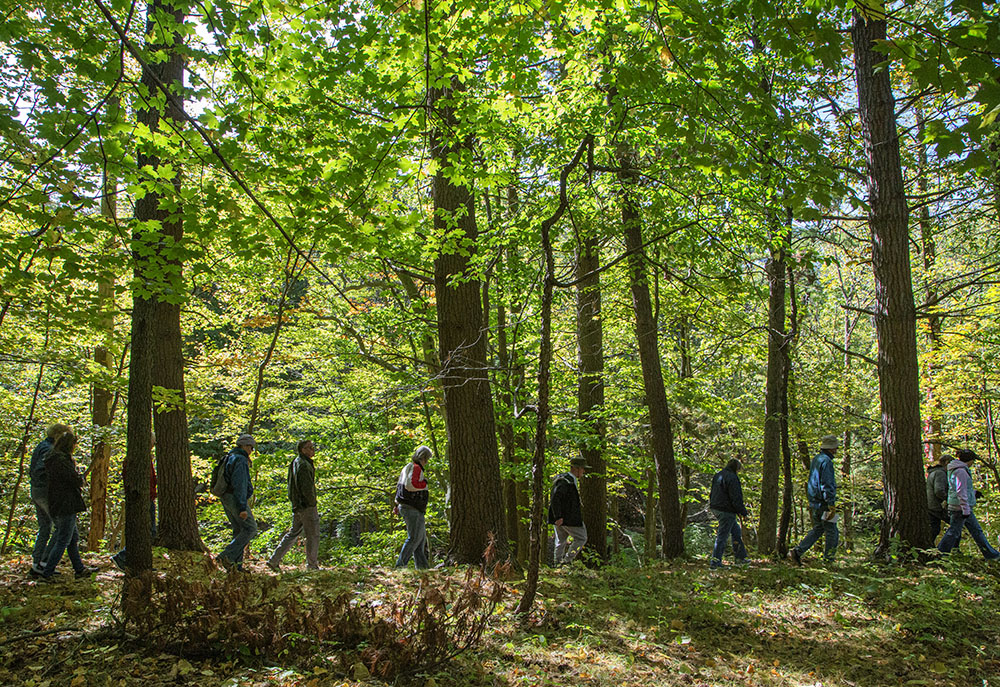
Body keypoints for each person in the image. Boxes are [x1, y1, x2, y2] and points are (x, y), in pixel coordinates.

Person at [38, 431, 97, 581]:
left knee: (72, 538)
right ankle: (47, 573)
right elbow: (74, 480)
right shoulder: (61, 461)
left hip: (59, 502)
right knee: (63, 540)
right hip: (66, 503)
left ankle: (79, 569)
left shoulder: (53, 458)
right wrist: (80, 478)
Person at [267, 439, 320, 572]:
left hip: (298, 504)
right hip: (306, 505)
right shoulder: (302, 464)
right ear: (303, 450)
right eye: (309, 447)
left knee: (293, 532)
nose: (312, 449)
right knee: (313, 534)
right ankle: (312, 566)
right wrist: (311, 502)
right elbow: (305, 487)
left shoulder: (297, 462)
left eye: (312, 447)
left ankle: (274, 560)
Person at [937, 449, 1000, 559]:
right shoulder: (960, 471)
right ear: (969, 460)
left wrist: (974, 493)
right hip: (960, 508)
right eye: (973, 461)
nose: (973, 463)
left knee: (976, 531)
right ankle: (940, 553)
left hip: (962, 506)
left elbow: (960, 488)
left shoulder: (957, 469)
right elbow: (960, 491)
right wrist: (965, 509)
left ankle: (991, 554)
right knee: (954, 532)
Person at [789, 434, 840, 566]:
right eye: (835, 447)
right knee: (832, 530)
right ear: (831, 448)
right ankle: (828, 560)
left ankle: (798, 551)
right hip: (824, 503)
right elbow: (826, 483)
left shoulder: (817, 459)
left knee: (818, 529)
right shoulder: (826, 461)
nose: (837, 449)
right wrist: (831, 504)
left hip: (815, 501)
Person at [29, 423, 71, 578]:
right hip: (45, 492)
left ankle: (36, 563)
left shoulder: (42, 445)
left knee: (45, 527)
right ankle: (45, 562)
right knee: (61, 528)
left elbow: (33, 469)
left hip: (36, 490)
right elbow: (41, 470)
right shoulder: (49, 449)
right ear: (58, 435)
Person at [111, 442, 157, 572]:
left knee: (147, 531)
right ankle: (122, 556)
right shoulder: (139, 458)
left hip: (147, 496)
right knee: (148, 531)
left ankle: (133, 560)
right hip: (144, 498)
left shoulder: (142, 457)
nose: (152, 446)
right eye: (152, 443)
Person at [217, 434, 259, 572]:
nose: (251, 451)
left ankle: (235, 567)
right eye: (251, 448)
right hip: (235, 498)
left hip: (226, 497)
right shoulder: (240, 460)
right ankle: (226, 556)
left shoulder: (230, 456)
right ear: (245, 446)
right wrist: (242, 507)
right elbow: (240, 484)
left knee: (239, 530)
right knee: (251, 528)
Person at [394, 445, 431, 569]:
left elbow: (400, 487)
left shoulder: (407, 467)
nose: (427, 462)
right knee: (414, 538)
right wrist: (424, 483)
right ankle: (400, 565)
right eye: (427, 459)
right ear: (423, 458)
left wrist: (397, 504)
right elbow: (411, 485)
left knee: (420, 540)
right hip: (412, 507)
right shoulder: (416, 468)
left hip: (410, 507)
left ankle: (422, 568)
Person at [547, 457, 589, 565]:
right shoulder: (565, 481)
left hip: (563, 518)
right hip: (567, 519)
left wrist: (557, 517)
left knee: (560, 541)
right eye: (582, 469)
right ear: (576, 468)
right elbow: (555, 498)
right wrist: (558, 516)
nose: (584, 471)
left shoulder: (564, 479)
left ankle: (558, 564)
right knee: (581, 538)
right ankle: (566, 561)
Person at [709, 458, 749, 569]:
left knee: (736, 532)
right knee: (722, 536)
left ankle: (741, 558)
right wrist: (743, 512)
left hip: (716, 508)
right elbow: (736, 497)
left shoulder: (718, 475)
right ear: (736, 468)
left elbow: (712, 493)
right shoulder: (732, 478)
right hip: (726, 510)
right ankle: (715, 562)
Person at [926, 453, 950, 542]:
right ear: (947, 463)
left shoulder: (933, 472)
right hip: (935, 506)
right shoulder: (940, 473)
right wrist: (948, 499)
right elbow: (939, 491)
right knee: (934, 529)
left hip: (931, 505)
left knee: (934, 528)